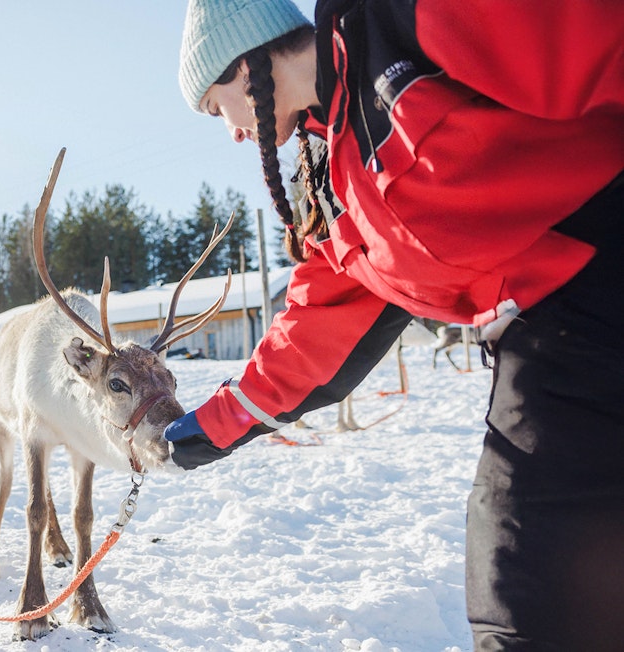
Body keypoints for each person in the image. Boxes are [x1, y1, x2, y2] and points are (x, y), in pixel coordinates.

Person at [163, 0, 624, 649]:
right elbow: (318, 329)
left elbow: (590, 34)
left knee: (531, 593)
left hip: (594, 279)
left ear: (244, 67)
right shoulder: (331, 174)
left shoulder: (397, 26)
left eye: (216, 110)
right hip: (551, 336)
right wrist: (211, 427)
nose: (233, 133)